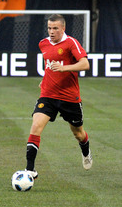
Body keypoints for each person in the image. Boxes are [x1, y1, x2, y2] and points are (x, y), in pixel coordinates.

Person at [24, 14, 92, 180]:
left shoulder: (71, 43)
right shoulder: (43, 43)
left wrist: (64, 68)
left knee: (78, 133)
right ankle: (29, 170)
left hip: (70, 97)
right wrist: (45, 79)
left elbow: (85, 64)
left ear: (63, 28)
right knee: (36, 126)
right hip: (48, 95)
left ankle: (86, 151)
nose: (51, 31)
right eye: (49, 28)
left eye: (55, 28)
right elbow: (49, 64)